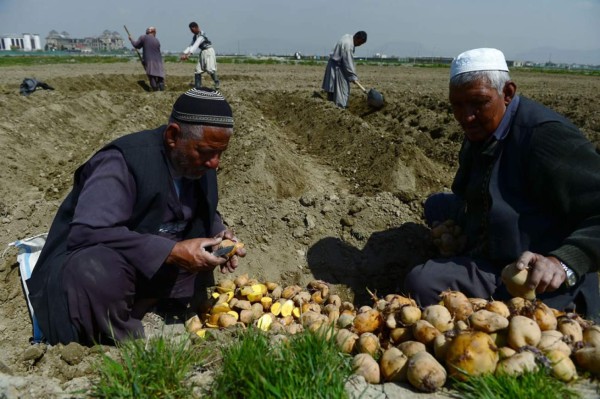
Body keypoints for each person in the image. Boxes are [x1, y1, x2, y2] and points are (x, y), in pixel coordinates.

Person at [27, 88, 246, 345]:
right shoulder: (122, 162)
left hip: (145, 267)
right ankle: (119, 340)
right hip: (96, 263)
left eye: (221, 153)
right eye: (207, 151)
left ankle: (154, 310)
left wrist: (219, 235)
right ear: (173, 135)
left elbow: (201, 211)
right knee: (95, 269)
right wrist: (171, 251)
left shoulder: (199, 164)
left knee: (194, 242)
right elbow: (88, 231)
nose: (215, 163)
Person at [403, 48, 600, 321]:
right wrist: (458, 228)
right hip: (495, 235)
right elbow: (466, 191)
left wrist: (562, 261)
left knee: (424, 281)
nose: (465, 116)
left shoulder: (544, 137)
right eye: (457, 105)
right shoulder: (479, 131)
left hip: (528, 276)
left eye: (478, 103)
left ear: (507, 93)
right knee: (437, 204)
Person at [321, 31, 367, 108]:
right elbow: (348, 62)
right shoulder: (348, 45)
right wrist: (353, 77)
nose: (359, 45)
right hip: (338, 67)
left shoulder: (348, 37)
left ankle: (331, 107)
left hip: (336, 65)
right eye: (360, 43)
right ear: (357, 38)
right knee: (342, 91)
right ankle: (340, 108)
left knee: (333, 90)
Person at [180, 22, 220, 90]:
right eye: (191, 30)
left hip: (208, 51)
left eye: (192, 30)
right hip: (203, 52)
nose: (192, 32)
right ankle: (198, 87)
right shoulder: (195, 36)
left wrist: (189, 54)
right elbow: (191, 45)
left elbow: (196, 45)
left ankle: (217, 83)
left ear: (196, 27)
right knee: (197, 70)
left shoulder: (202, 35)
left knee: (210, 69)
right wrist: (184, 53)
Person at [128, 26, 165, 91]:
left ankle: (155, 90)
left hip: (150, 61)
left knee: (151, 76)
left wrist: (131, 40)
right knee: (159, 76)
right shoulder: (157, 40)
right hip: (159, 61)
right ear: (154, 32)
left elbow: (136, 45)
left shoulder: (143, 37)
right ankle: (161, 88)